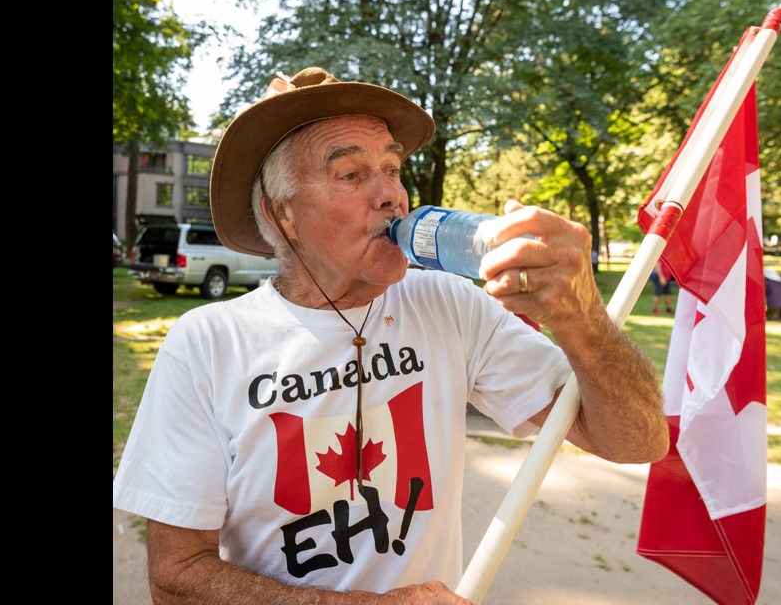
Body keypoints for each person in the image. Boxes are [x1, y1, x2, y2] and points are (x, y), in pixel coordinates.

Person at [112, 67, 668, 604]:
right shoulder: (207, 343)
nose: (391, 197)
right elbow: (176, 578)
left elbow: (637, 442)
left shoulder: (449, 303)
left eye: (393, 170)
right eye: (352, 175)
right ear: (281, 215)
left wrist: (583, 322)